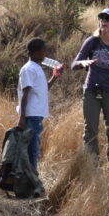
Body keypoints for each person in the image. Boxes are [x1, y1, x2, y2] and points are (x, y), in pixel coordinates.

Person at [71, 8, 109, 162]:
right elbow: (74, 64)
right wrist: (83, 62)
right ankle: (93, 166)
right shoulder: (92, 41)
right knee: (90, 130)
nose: (103, 21)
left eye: (107, 18)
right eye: (101, 18)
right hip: (92, 89)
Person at [17, 38, 63, 180]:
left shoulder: (37, 68)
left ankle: (30, 180)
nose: (45, 53)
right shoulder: (29, 69)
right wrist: (22, 117)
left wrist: (55, 77)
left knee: (34, 149)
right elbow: (25, 94)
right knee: (32, 150)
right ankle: (31, 181)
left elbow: (44, 89)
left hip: (36, 115)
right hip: (31, 115)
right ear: (36, 53)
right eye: (44, 50)